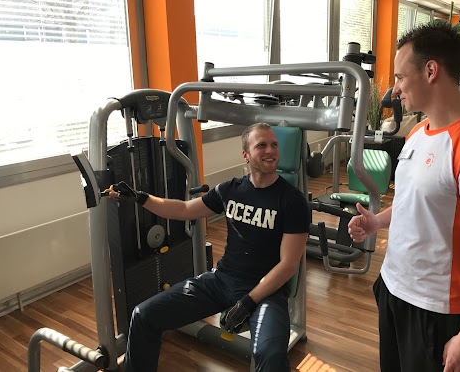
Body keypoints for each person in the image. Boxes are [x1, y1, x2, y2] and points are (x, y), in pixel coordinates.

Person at [348, 21, 460, 372]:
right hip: (392, 288)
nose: (394, 89)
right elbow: (411, 201)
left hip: (436, 309)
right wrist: (377, 222)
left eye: (400, 77)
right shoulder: (418, 132)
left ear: (430, 71)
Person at [110, 122, 310, 372]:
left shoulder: (292, 201)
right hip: (221, 280)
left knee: (269, 355)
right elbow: (184, 209)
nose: (270, 151)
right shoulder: (230, 190)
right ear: (246, 155)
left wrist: (248, 302)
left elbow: (288, 265)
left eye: (274, 145)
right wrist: (141, 198)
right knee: (143, 315)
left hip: (266, 292)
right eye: (262, 145)